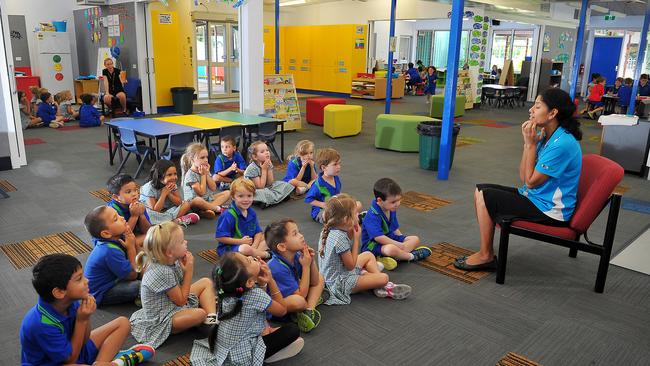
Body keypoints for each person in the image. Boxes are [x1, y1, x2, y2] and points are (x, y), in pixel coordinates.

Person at [454, 88, 582, 271]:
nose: (531, 110)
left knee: (486, 196)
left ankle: (485, 255)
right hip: (536, 197)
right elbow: (524, 177)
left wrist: (531, 145)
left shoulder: (562, 143)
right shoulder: (548, 136)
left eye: (537, 107)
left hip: (551, 210)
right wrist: (528, 144)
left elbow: (529, 181)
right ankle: (486, 253)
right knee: (480, 190)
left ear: (553, 113)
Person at [20, 254, 155, 366]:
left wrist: (86, 317)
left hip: (75, 349)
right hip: (59, 362)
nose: (87, 281)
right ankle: (118, 362)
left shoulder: (69, 302)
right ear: (60, 292)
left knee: (123, 323)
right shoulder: (41, 324)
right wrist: (82, 320)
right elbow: (70, 359)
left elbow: (84, 340)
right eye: (79, 279)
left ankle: (101, 363)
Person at [190, 252, 304, 365]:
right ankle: (264, 355)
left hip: (221, 346)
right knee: (292, 330)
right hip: (244, 355)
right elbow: (282, 310)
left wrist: (261, 283)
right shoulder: (255, 294)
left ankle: (265, 338)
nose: (251, 257)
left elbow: (259, 307)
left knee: (266, 325)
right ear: (249, 282)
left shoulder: (228, 291)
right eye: (249, 260)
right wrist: (271, 280)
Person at [130, 222, 218, 348]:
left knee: (206, 282)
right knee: (200, 314)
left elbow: (181, 287)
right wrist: (189, 271)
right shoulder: (161, 271)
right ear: (170, 252)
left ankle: (212, 320)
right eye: (182, 242)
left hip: (172, 303)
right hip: (162, 318)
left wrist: (183, 270)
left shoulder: (171, 260)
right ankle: (177, 328)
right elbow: (181, 301)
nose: (186, 242)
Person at [318, 194, 412, 305]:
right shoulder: (340, 239)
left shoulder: (330, 229)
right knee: (384, 277)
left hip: (335, 273)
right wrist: (357, 239)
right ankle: (382, 285)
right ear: (345, 219)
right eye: (355, 213)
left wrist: (352, 232)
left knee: (368, 254)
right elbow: (351, 266)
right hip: (340, 283)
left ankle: (371, 280)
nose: (358, 215)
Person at [266, 219, 326, 333]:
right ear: (282, 247)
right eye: (295, 234)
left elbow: (315, 281)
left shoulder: (296, 254)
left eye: (299, 232)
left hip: (295, 291)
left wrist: (311, 261)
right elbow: (301, 295)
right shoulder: (276, 268)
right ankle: (305, 306)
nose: (301, 236)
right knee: (299, 301)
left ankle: (309, 310)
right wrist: (306, 266)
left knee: (321, 277)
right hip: (279, 308)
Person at [361, 178, 432, 271]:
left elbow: (394, 228)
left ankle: (396, 256)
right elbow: (378, 238)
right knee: (390, 249)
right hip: (373, 245)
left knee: (415, 239)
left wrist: (403, 240)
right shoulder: (372, 215)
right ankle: (411, 256)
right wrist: (399, 245)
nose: (397, 204)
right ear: (379, 200)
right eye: (393, 202)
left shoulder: (390, 208)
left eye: (399, 200)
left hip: (390, 237)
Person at [84, 206, 141, 306]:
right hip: (101, 292)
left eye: (118, 214)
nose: (122, 217)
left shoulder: (117, 236)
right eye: (116, 219)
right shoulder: (109, 251)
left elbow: (140, 253)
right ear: (106, 233)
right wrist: (131, 248)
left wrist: (133, 241)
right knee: (139, 286)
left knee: (146, 262)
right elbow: (133, 275)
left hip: (116, 277)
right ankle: (142, 295)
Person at [215, 177, 270, 259]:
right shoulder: (228, 215)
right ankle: (265, 255)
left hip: (249, 245)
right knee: (245, 248)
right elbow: (220, 237)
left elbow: (258, 232)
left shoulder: (251, 212)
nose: (246, 200)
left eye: (249, 196)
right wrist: (240, 241)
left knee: (269, 237)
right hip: (231, 248)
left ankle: (252, 257)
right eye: (241, 196)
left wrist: (254, 246)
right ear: (233, 197)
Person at [304, 148, 361, 223]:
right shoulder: (318, 184)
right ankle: (351, 218)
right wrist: (323, 204)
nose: (339, 167)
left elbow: (338, 193)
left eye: (339, 163)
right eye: (335, 164)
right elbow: (308, 199)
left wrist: (345, 201)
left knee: (358, 204)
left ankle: (348, 218)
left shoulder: (336, 178)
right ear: (324, 168)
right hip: (322, 212)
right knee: (331, 215)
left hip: (336, 207)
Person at [140, 159, 200, 226]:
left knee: (186, 204)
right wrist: (163, 194)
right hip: (154, 212)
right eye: (169, 175)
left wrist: (169, 193)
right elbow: (155, 210)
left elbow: (179, 203)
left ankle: (165, 222)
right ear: (159, 176)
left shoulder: (172, 185)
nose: (174, 177)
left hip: (166, 210)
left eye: (175, 174)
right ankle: (176, 221)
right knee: (148, 215)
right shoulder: (150, 188)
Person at [181, 142, 231, 218]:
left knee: (227, 193)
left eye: (206, 157)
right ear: (192, 160)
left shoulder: (205, 170)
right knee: (198, 200)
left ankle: (206, 209)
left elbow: (213, 188)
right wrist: (203, 175)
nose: (206, 160)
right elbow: (201, 192)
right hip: (194, 204)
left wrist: (207, 174)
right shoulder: (190, 175)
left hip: (207, 199)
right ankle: (216, 209)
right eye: (202, 158)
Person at [106, 173, 151, 249]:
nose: (134, 194)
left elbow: (147, 230)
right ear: (116, 197)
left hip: (133, 235)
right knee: (153, 237)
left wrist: (142, 215)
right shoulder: (112, 211)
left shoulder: (137, 204)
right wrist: (134, 216)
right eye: (128, 192)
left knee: (153, 235)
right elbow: (123, 236)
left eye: (135, 190)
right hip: (118, 241)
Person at [244, 141, 294, 207]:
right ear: (255, 157)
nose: (267, 152)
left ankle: (270, 199)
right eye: (262, 152)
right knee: (260, 193)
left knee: (284, 184)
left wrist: (269, 168)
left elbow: (270, 183)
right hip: (255, 189)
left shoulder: (267, 163)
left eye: (267, 150)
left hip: (266, 187)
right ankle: (272, 199)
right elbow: (260, 187)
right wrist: (264, 169)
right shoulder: (252, 168)